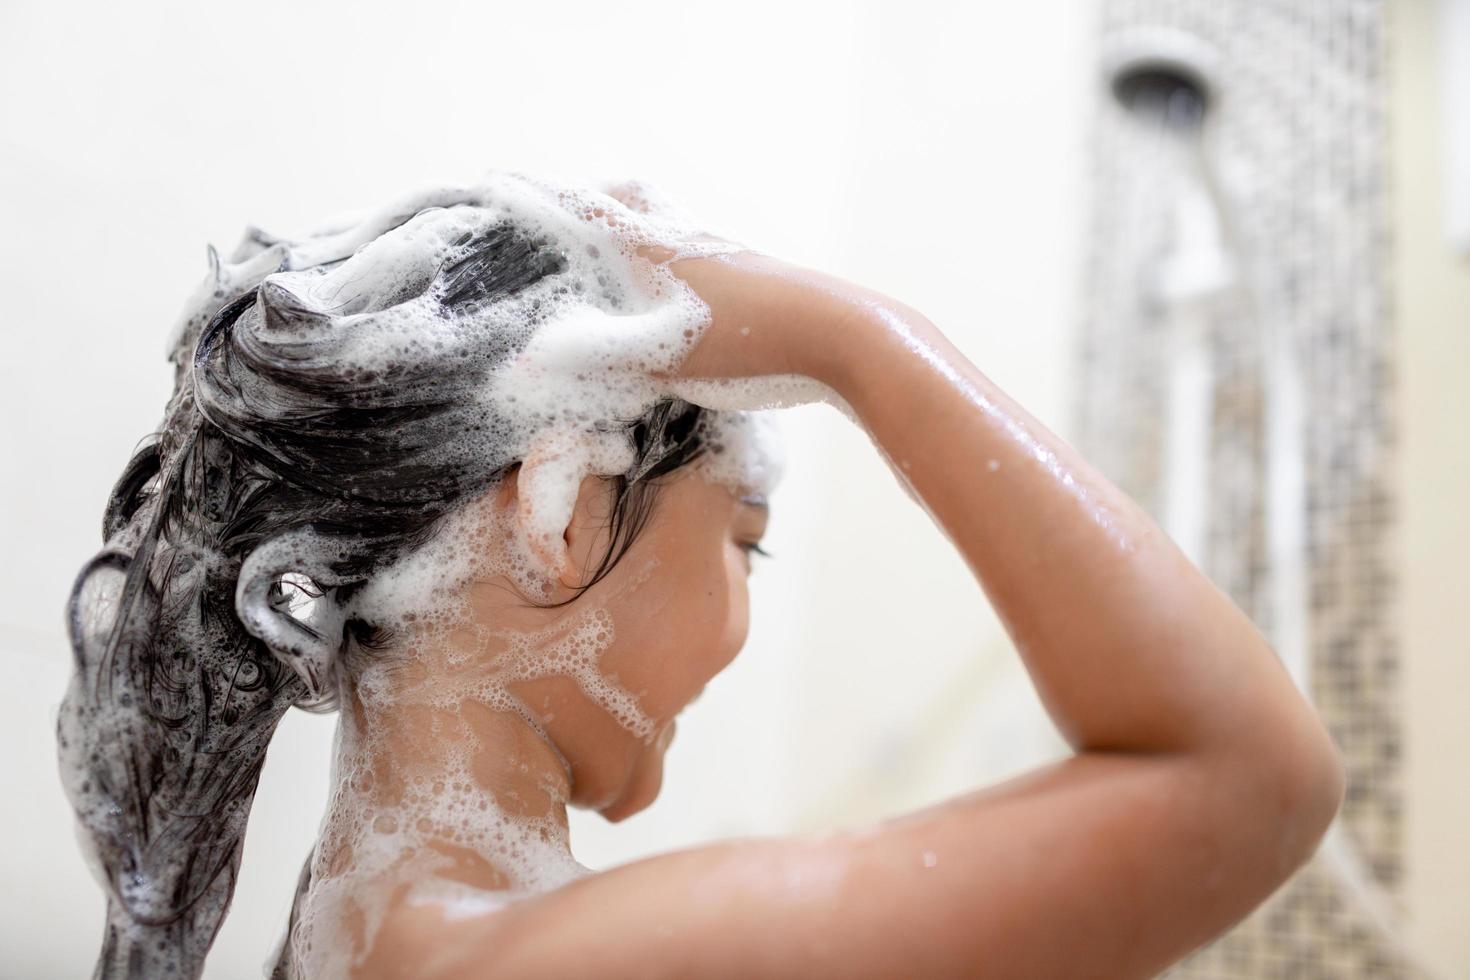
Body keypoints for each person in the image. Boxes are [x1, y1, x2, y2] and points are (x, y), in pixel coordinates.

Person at [60, 176, 1344, 980]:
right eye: (744, 535)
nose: (744, 609)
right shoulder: (549, 955)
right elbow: (1248, 780)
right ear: (557, 512)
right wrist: (857, 340)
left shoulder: (351, 938)